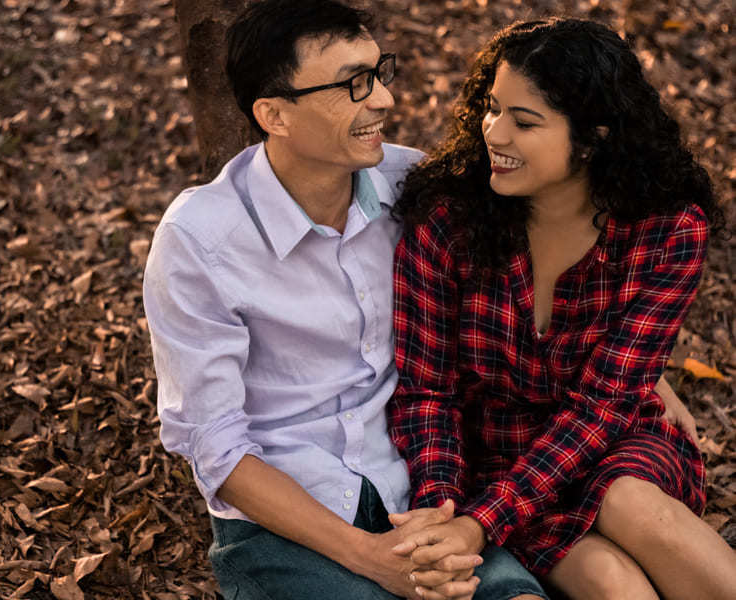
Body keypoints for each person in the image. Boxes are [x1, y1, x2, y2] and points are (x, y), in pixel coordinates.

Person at [143, 1, 555, 598]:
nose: (384, 100)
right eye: (352, 85)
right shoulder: (200, 241)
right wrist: (372, 559)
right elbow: (216, 447)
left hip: (421, 484)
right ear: (274, 115)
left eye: (378, 73)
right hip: (285, 524)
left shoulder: (412, 185)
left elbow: (545, 254)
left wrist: (651, 379)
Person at [389, 17, 736, 600]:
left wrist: (481, 524)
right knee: (613, 584)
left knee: (630, 503)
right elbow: (427, 394)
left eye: (524, 122)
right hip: (495, 460)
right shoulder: (448, 221)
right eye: (492, 108)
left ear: (593, 138)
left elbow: (603, 406)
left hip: (613, 442)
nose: (494, 133)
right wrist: (444, 514)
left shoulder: (667, 230)